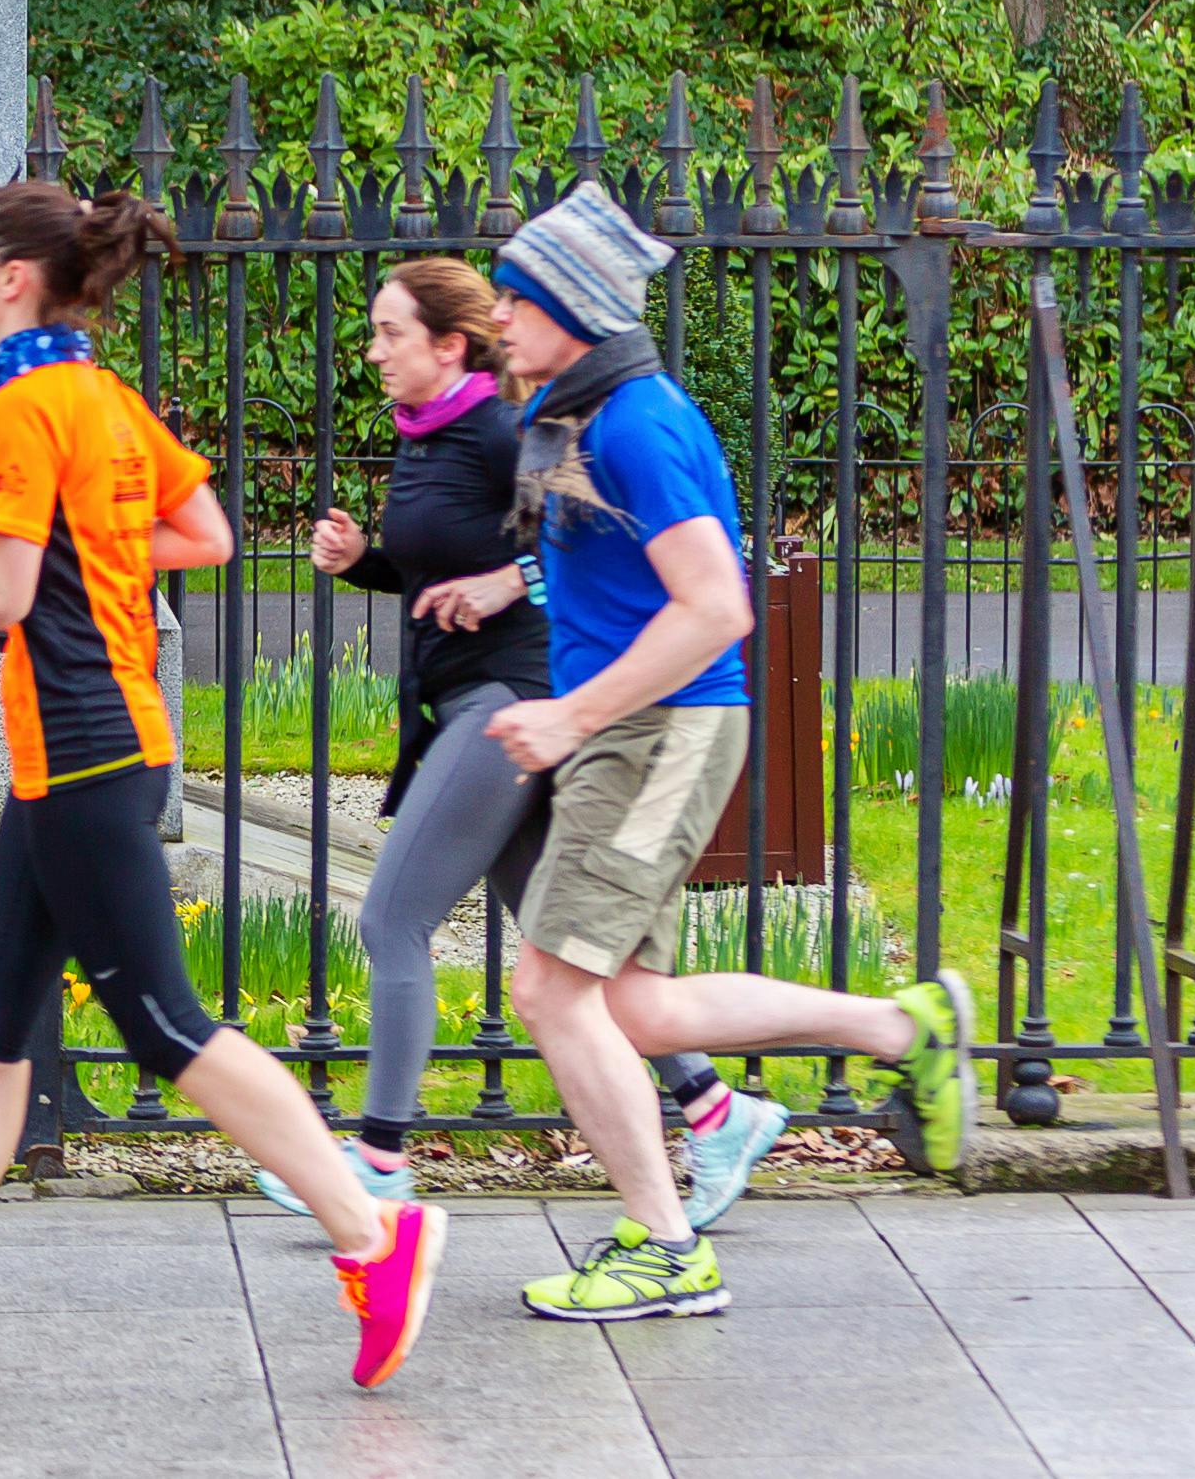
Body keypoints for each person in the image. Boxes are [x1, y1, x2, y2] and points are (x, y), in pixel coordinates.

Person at [0, 180, 441, 1388]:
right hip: (92, 748)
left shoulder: (24, 405)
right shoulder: (102, 395)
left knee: (167, 1025)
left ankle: (372, 1232)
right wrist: (85, 549)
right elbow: (206, 536)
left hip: (85, 751)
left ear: (13, 278)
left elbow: (0, 594)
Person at [483, 183, 975, 1323]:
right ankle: (902, 1028)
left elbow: (716, 606)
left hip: (659, 731)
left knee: (549, 991)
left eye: (516, 296)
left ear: (576, 306)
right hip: (631, 731)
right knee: (635, 1010)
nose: (498, 314)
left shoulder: (636, 424)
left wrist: (570, 715)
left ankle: (667, 1249)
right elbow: (595, 563)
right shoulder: (572, 412)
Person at [253, 258, 792, 1232]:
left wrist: (512, 585)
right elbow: (449, 562)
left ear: (446, 344)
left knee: (393, 919)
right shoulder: (428, 433)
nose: (372, 351)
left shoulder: (508, 428)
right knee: (568, 952)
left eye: (389, 332)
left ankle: (379, 1162)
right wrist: (364, 561)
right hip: (471, 697)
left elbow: (589, 544)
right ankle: (717, 1110)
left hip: (514, 696)